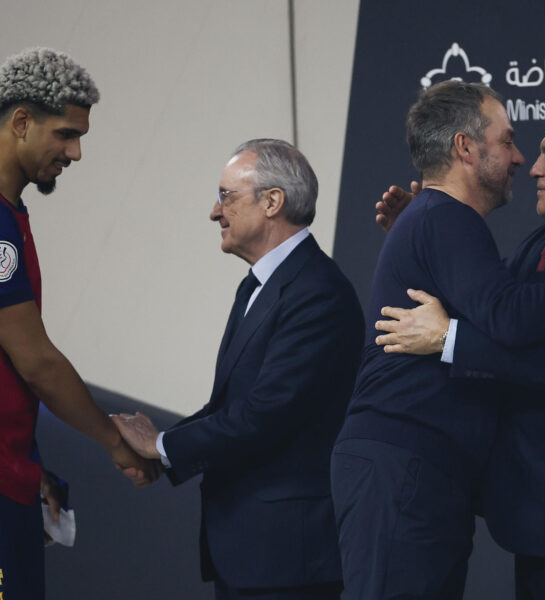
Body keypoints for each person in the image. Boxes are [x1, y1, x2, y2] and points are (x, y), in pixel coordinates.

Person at [330, 80, 545, 600]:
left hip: (417, 469)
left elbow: (489, 308)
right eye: (507, 141)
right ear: (465, 147)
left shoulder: (436, 220)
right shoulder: (446, 217)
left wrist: (423, 244)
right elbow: (505, 312)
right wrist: (427, 237)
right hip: (405, 466)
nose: (524, 160)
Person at [113, 138, 365, 600]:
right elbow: (229, 406)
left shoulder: (318, 293)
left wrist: (163, 445)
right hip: (250, 550)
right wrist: (160, 457)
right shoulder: (257, 287)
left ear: (272, 202)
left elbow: (263, 415)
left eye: (226, 195)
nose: (215, 211)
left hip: (288, 561)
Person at [0, 47, 158, 600]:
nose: (77, 152)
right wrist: (115, 443)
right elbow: (36, 362)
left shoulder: (10, 214)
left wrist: (30, 464)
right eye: (65, 134)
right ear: (21, 122)